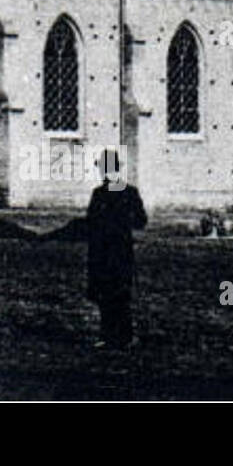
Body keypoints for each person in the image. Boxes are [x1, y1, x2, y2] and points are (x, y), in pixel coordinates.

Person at [86, 147, 147, 348]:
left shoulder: (106, 193)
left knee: (115, 292)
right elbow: (140, 221)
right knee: (112, 292)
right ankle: (113, 336)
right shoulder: (126, 192)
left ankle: (119, 336)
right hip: (112, 250)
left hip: (111, 250)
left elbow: (140, 220)